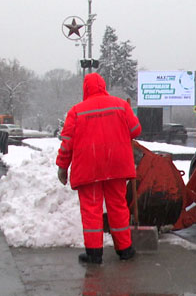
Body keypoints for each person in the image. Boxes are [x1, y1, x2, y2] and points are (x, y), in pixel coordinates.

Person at [56, 73, 142, 265]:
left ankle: (94, 254)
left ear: (85, 89)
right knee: (118, 206)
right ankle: (125, 249)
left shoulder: (76, 111)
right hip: (117, 166)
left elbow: (67, 144)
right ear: (104, 86)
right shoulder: (120, 105)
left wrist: (62, 167)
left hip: (89, 168)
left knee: (91, 210)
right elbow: (136, 130)